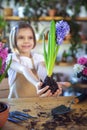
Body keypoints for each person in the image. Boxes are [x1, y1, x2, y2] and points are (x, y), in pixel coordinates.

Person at [6, 21, 70, 98]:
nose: (26, 41)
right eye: (21, 37)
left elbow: (42, 70)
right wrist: (36, 83)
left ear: (34, 40)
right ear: (13, 40)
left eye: (30, 37)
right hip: (16, 105)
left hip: (35, 105)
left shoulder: (38, 58)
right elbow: (24, 69)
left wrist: (51, 84)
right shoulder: (11, 58)